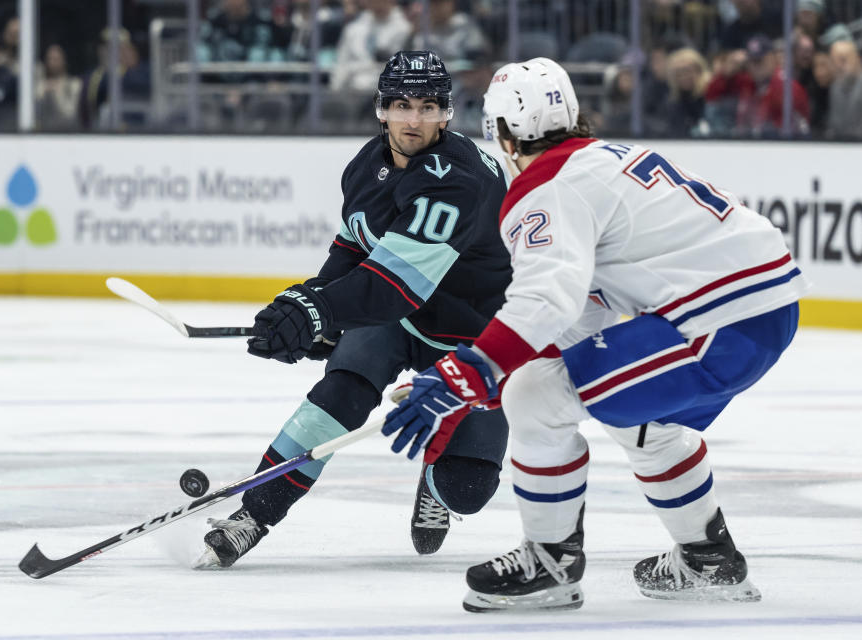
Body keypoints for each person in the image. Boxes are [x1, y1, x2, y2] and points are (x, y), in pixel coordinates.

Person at [382, 57, 810, 611]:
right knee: (635, 417)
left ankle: (550, 563)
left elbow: (545, 301)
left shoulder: (544, 187)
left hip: (715, 325)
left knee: (536, 396)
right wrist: (480, 380)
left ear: (503, 132)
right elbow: (583, 320)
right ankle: (709, 560)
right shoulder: (605, 160)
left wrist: (467, 371)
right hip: (756, 313)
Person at [196, 50, 512, 568]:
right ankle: (252, 515)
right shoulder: (368, 164)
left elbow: (395, 285)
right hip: (399, 320)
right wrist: (312, 307)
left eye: (429, 106)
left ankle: (435, 477)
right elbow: (353, 248)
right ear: (380, 108)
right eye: (402, 104)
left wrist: (317, 309)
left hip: (473, 337)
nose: (414, 119)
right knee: (338, 395)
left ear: (448, 113)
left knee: (468, 488)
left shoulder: (459, 180)